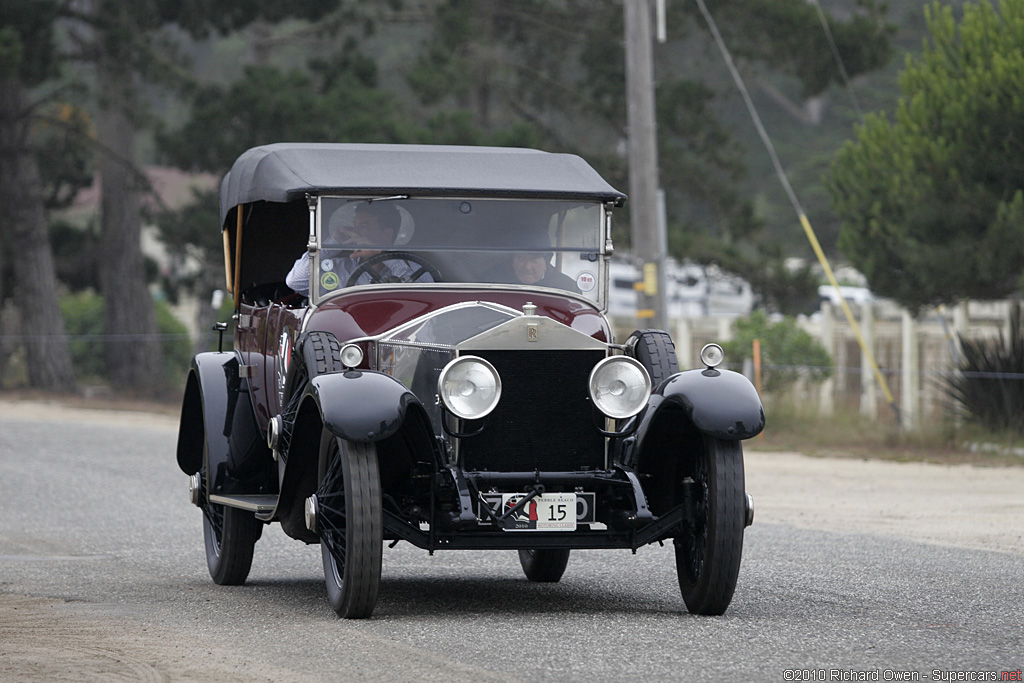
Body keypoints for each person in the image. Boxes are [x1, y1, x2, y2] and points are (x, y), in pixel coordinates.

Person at [285, 202, 430, 296]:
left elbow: (426, 295)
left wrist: (383, 255)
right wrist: (333, 243)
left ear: (387, 234)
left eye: (364, 227)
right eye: (355, 226)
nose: (356, 232)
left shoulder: (412, 269)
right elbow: (296, 282)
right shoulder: (339, 268)